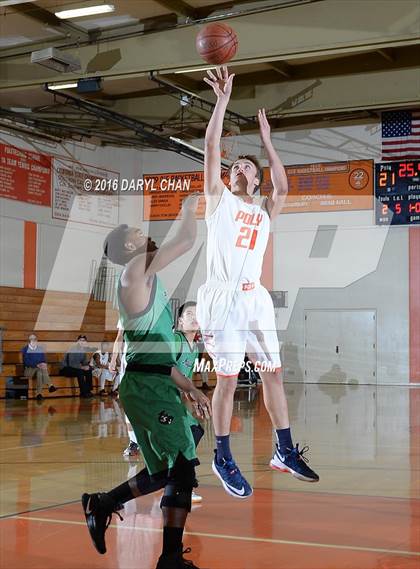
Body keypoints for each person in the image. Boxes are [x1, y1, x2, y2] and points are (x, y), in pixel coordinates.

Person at [197, 66, 319, 499]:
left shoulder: (265, 210)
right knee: (227, 381)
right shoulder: (219, 202)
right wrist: (222, 101)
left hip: (254, 299)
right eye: (237, 166)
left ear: (256, 177)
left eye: (248, 166)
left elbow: (284, 187)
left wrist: (267, 143)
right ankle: (223, 455)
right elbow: (212, 146)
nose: (239, 169)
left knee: (274, 375)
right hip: (222, 297)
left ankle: (284, 450)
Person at [82, 195, 211, 569]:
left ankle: (104, 503)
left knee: (162, 472)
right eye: (139, 232)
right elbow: (185, 242)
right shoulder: (136, 269)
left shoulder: (147, 277)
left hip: (152, 381)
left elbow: (152, 356)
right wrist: (189, 207)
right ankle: (169, 557)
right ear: (129, 246)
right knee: (183, 465)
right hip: (148, 389)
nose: (145, 234)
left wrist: (187, 386)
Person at [174, 301, 205, 505]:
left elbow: (185, 377)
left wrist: (190, 397)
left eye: (198, 314)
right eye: (189, 314)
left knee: (194, 433)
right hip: (162, 397)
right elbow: (168, 370)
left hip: (176, 398)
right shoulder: (176, 340)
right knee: (189, 437)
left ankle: (178, 480)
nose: (194, 317)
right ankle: (184, 484)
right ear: (179, 321)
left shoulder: (194, 346)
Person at [21, 334, 56, 400]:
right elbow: (26, 362)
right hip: (29, 370)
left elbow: (43, 360)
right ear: (29, 341)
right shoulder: (25, 349)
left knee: (40, 372)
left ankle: (39, 394)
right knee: (40, 369)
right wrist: (37, 365)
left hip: (39, 369)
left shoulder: (40, 349)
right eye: (31, 339)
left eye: (35, 339)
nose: (33, 341)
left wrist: (44, 364)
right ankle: (50, 385)